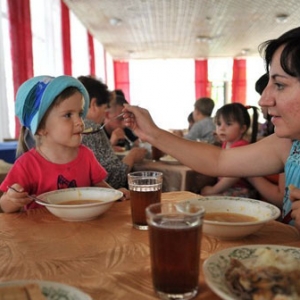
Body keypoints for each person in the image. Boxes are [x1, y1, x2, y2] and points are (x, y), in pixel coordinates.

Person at [122, 27, 300, 231]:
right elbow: (219, 160)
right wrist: (152, 133)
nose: (264, 100)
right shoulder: (288, 144)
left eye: (279, 85)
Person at [0, 75, 118, 213]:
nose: (80, 122)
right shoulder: (27, 165)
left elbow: (101, 189)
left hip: (85, 231)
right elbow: (3, 207)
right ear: (41, 128)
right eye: (68, 115)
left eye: (79, 114)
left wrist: (116, 195)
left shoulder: (86, 155)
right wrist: (12, 199)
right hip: (42, 232)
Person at [78, 76, 146, 192]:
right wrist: (132, 156)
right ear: (93, 104)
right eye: (105, 109)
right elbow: (113, 179)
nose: (105, 115)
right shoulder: (91, 128)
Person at [201, 103, 259, 198]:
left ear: (242, 128)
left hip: (240, 191)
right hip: (227, 189)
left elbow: (233, 175)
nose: (221, 128)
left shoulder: (242, 147)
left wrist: (213, 189)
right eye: (219, 124)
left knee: (206, 199)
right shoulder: (226, 143)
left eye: (228, 124)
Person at [247, 73, 285, 208]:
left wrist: (250, 175)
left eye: (280, 86)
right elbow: (218, 160)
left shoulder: (288, 142)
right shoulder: (280, 138)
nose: (262, 102)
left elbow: (283, 198)